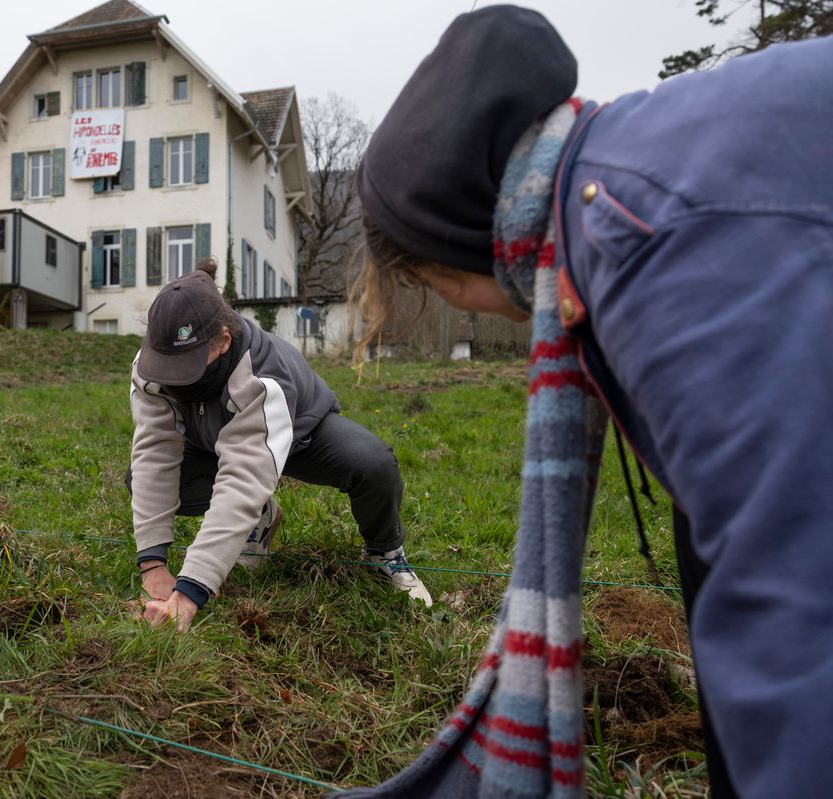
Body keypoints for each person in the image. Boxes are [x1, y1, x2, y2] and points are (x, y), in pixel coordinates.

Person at [339, 6, 832, 798]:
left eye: (433, 284)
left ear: (459, 249)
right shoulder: (614, 172)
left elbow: (795, 592)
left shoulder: (640, 241)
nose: (457, 303)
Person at [129, 259, 433, 633]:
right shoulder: (151, 367)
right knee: (141, 479)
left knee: (374, 464)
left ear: (223, 341)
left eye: (186, 366)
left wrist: (189, 593)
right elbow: (154, 454)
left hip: (301, 434)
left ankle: (385, 552)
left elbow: (242, 481)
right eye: (166, 364)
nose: (173, 378)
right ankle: (262, 516)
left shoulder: (261, 375)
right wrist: (153, 564)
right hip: (216, 440)